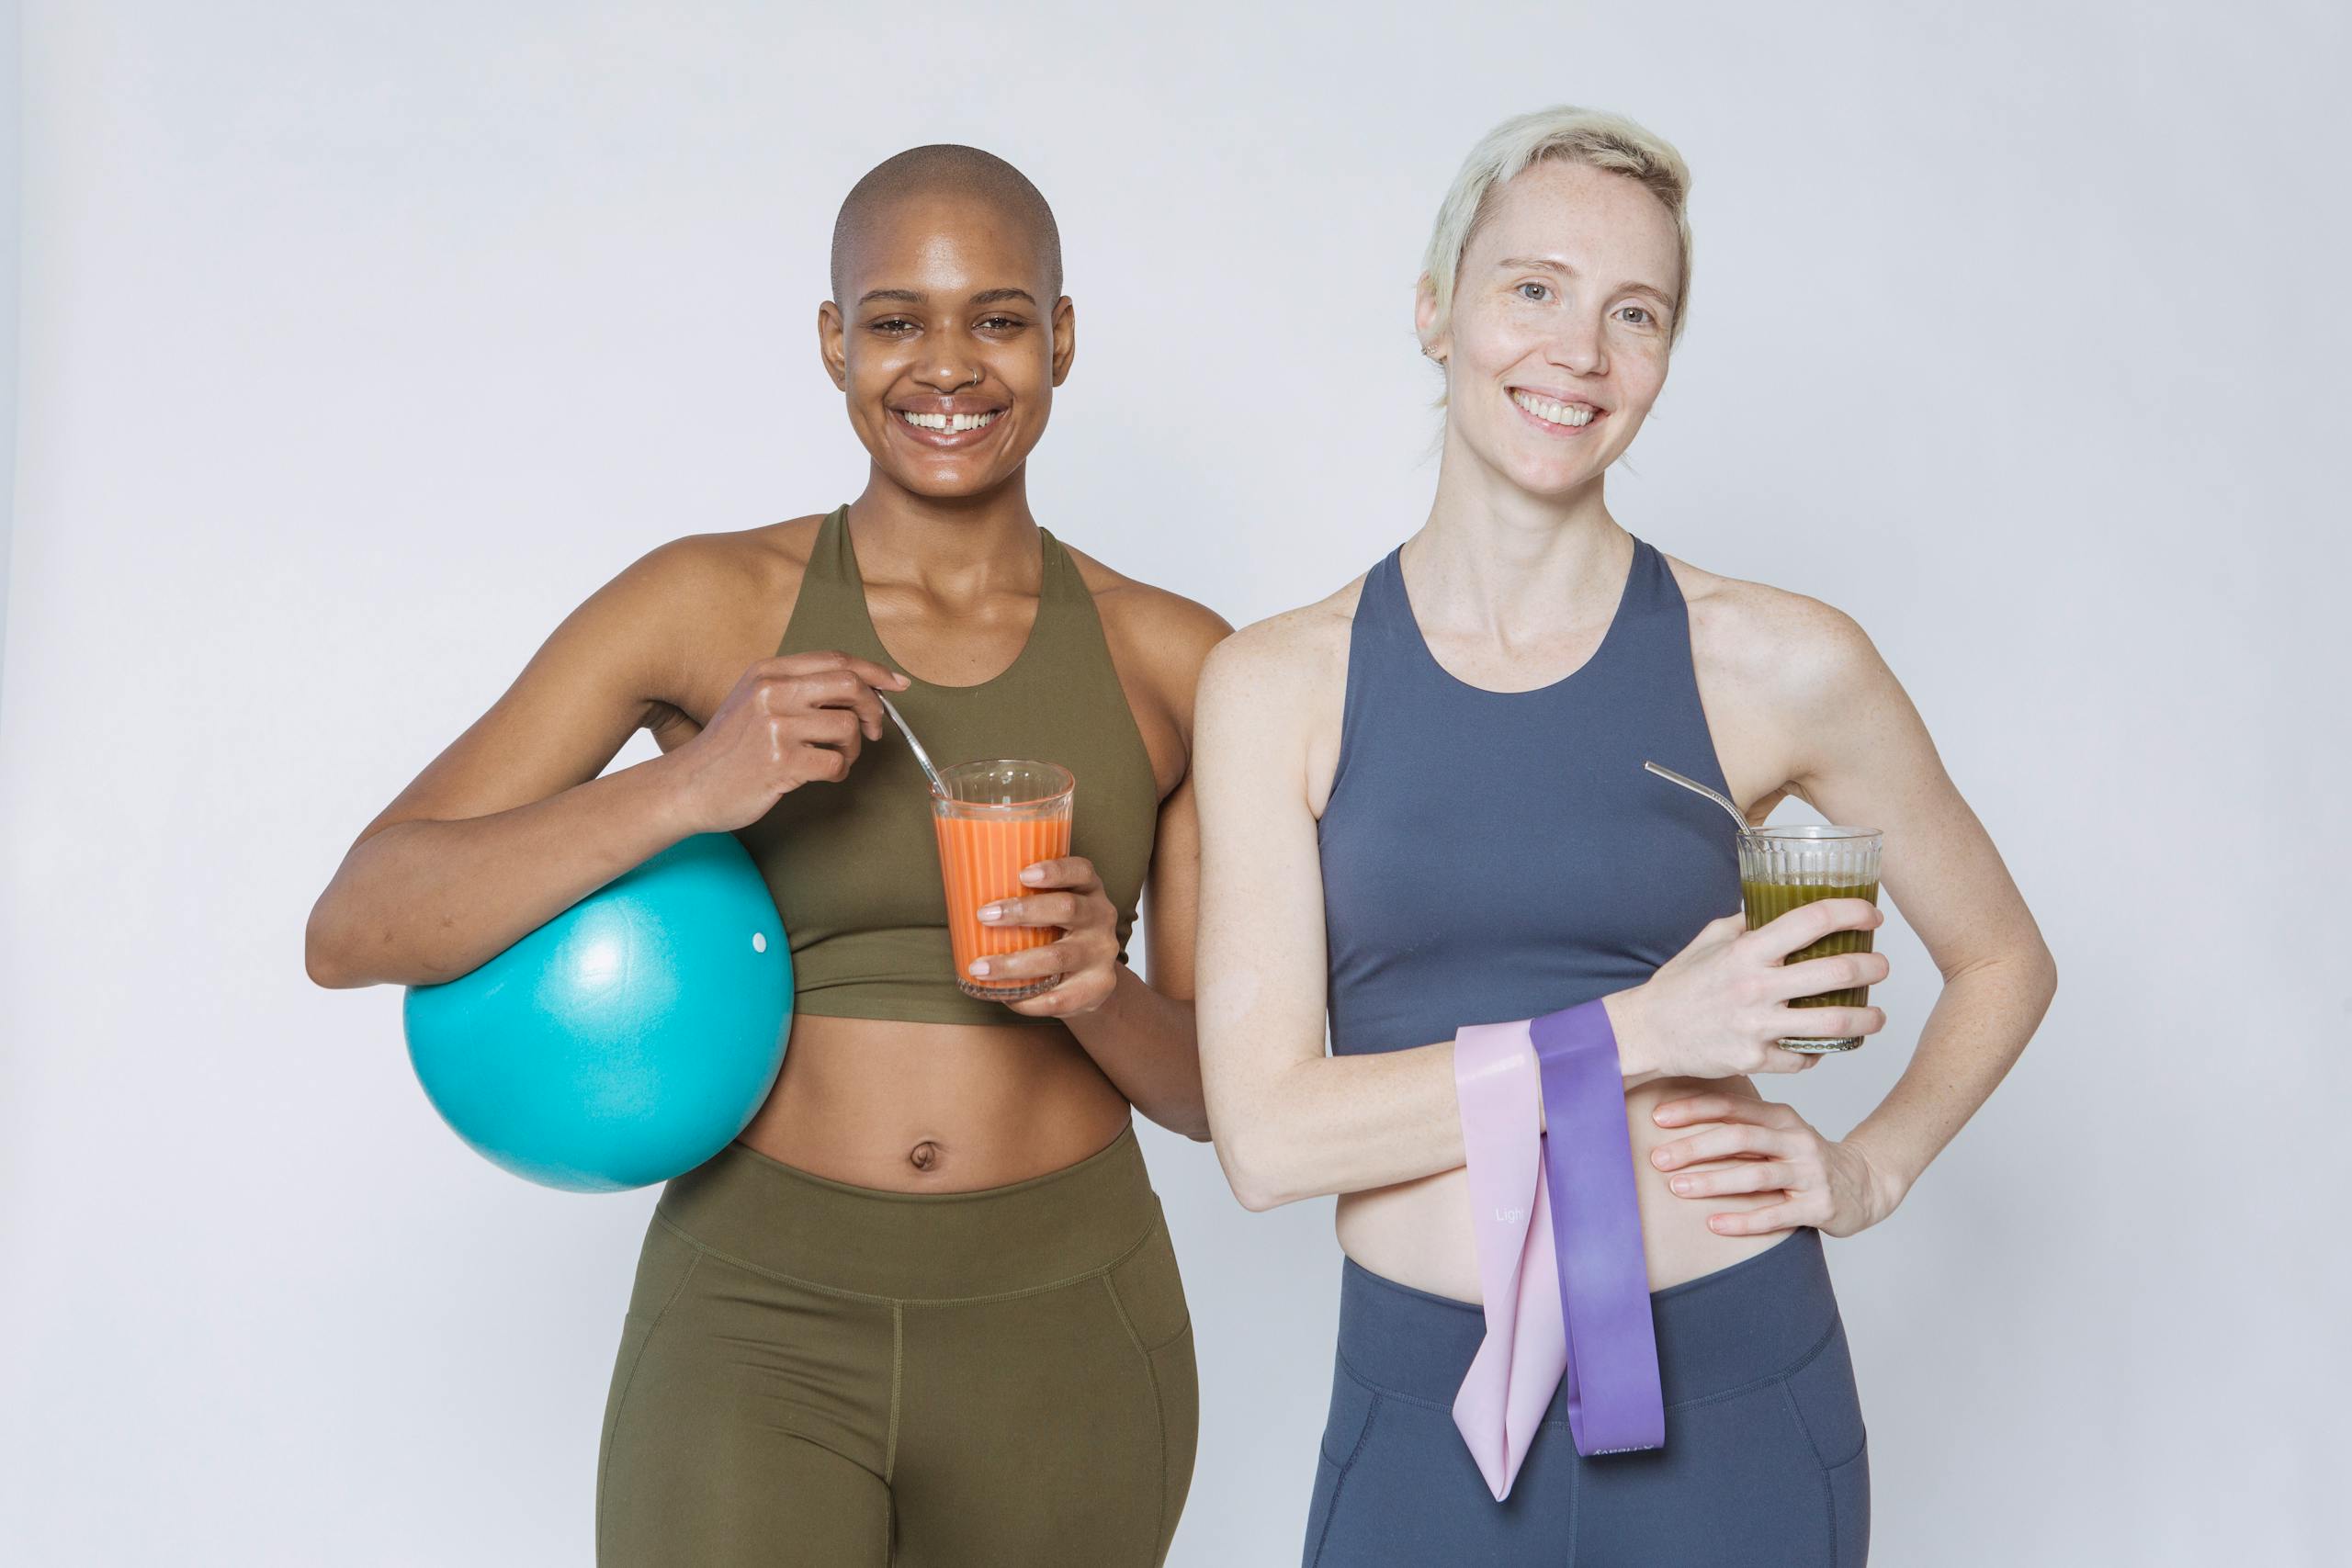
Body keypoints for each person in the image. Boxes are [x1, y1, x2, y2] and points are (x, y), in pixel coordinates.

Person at [305, 144, 1225, 1567]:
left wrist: (1102, 989)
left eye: (994, 317)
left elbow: (1223, 1099)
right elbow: (359, 925)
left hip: (1069, 1323)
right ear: (832, 341)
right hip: (757, 1318)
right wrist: (691, 784)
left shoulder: (1176, 659)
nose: (947, 367)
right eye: (895, 320)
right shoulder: (704, 602)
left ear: (1060, 336)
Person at [1192, 106, 2057, 1566]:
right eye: (1532, 288)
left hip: (1737, 1397)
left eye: (1633, 312)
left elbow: (2002, 961)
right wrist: (1643, 1031)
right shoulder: (1280, 685)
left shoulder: (1777, 659)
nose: (1578, 352)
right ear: (1436, 308)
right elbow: (1269, 1142)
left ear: (1662, 358)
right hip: (1424, 1418)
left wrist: (1872, 1169)